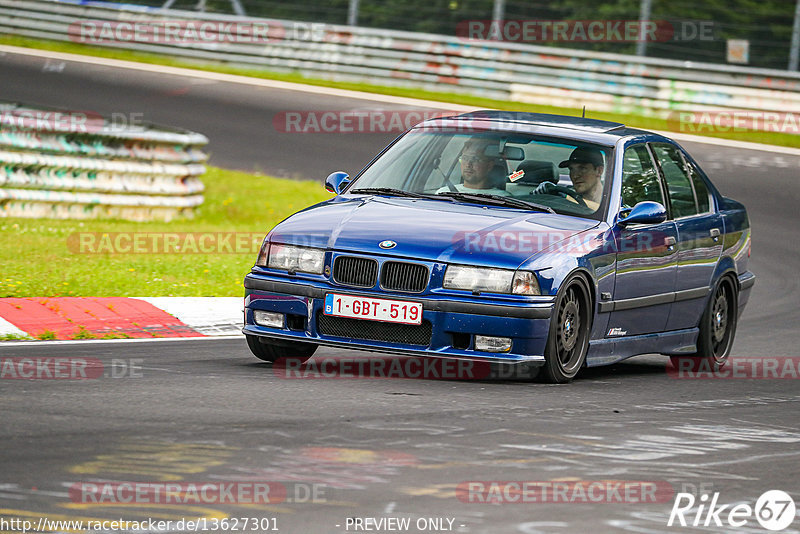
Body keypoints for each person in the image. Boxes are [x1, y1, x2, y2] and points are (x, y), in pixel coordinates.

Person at [535, 147, 604, 210]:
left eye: (582, 168)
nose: (575, 176)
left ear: (599, 171)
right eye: (571, 169)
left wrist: (565, 198)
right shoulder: (566, 192)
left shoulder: (612, 200)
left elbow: (600, 210)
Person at [437, 137, 510, 196]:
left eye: (475, 159)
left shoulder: (503, 198)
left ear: (489, 165)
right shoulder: (443, 193)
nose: (468, 164)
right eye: (465, 158)